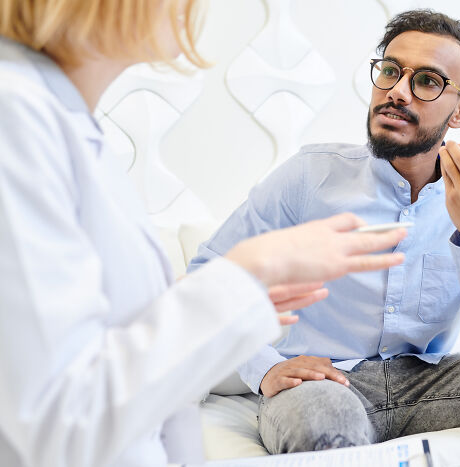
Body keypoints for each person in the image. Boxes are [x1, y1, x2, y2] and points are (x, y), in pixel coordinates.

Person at [0, 1, 407, 467]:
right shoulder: (15, 120)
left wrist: (244, 297)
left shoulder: (68, 125)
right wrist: (244, 278)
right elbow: (60, 420)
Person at [189, 9, 460, 466]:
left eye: (426, 81)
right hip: (324, 382)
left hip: (429, 382)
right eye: (390, 71)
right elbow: (210, 276)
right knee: (325, 422)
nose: (397, 91)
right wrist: (264, 367)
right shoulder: (310, 176)